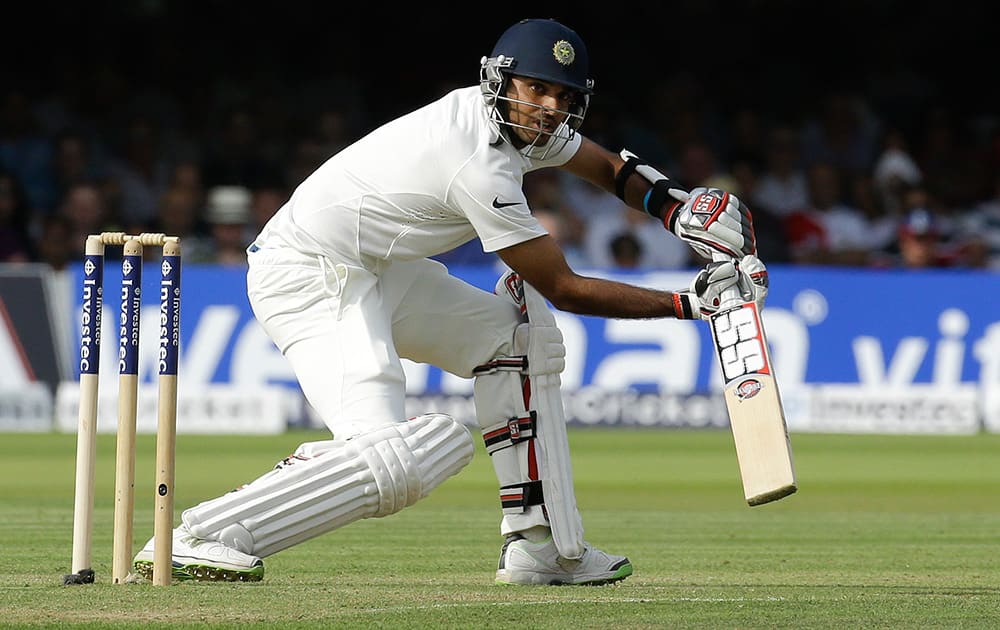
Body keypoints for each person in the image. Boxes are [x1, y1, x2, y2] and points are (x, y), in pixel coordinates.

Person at [132, 18, 764, 586]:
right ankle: (199, 536)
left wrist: (673, 207)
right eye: (535, 90)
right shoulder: (476, 161)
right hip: (309, 272)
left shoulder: (523, 128)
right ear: (501, 82)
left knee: (514, 343)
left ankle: (540, 547)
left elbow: (606, 169)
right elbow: (564, 288)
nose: (548, 109)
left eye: (562, 97)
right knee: (391, 458)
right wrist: (693, 304)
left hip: (379, 267)